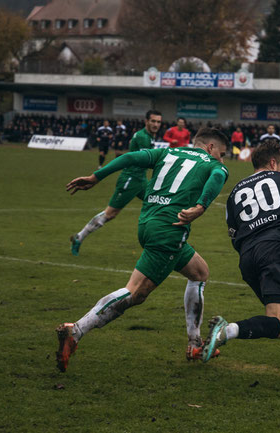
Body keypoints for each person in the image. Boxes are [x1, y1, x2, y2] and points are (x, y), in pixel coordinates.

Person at [56, 127, 230, 372]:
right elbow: (217, 178)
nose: (222, 160)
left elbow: (129, 158)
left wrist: (96, 176)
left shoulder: (167, 153)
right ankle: (76, 330)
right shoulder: (215, 165)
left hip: (148, 225)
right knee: (134, 293)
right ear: (211, 148)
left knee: (199, 272)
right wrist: (201, 206)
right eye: (221, 153)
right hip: (170, 231)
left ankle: (194, 343)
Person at [201, 140, 280, 394]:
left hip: (247, 258)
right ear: (273, 163)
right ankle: (228, 330)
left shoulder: (235, 192)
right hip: (276, 251)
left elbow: (234, 236)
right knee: (278, 325)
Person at [70, 110, 161, 257]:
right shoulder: (143, 137)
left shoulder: (148, 136)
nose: (156, 124)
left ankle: (159, 245)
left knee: (158, 203)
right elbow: (147, 160)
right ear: (146, 121)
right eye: (153, 121)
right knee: (110, 214)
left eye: (158, 122)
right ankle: (79, 237)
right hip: (130, 180)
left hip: (141, 179)